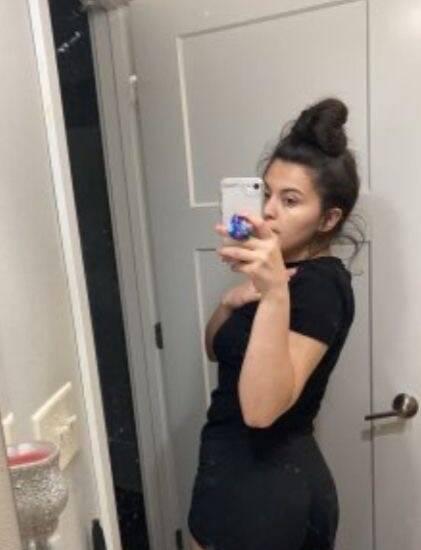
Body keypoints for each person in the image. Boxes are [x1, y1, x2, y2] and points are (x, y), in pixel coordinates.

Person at [188, 97, 362, 550]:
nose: (268, 210)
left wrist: (274, 293)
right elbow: (216, 350)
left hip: (268, 495)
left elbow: (261, 410)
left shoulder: (320, 286)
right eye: (266, 193)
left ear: (328, 218)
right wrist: (230, 303)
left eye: (290, 201)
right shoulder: (276, 273)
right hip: (230, 477)